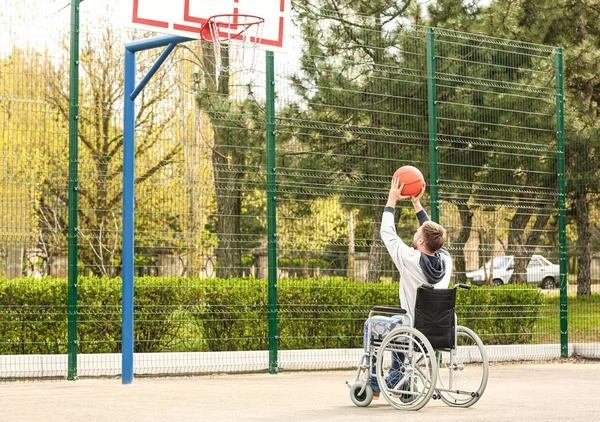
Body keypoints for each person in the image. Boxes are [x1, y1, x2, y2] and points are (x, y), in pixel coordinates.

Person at [365, 177, 452, 397]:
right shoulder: (446, 260)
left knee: (373, 324)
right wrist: (417, 204)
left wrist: (391, 200)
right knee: (399, 326)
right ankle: (398, 382)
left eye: (418, 234)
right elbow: (435, 236)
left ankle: (375, 383)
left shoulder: (410, 259)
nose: (415, 234)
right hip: (437, 330)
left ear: (422, 242)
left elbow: (387, 234)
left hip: (411, 329)